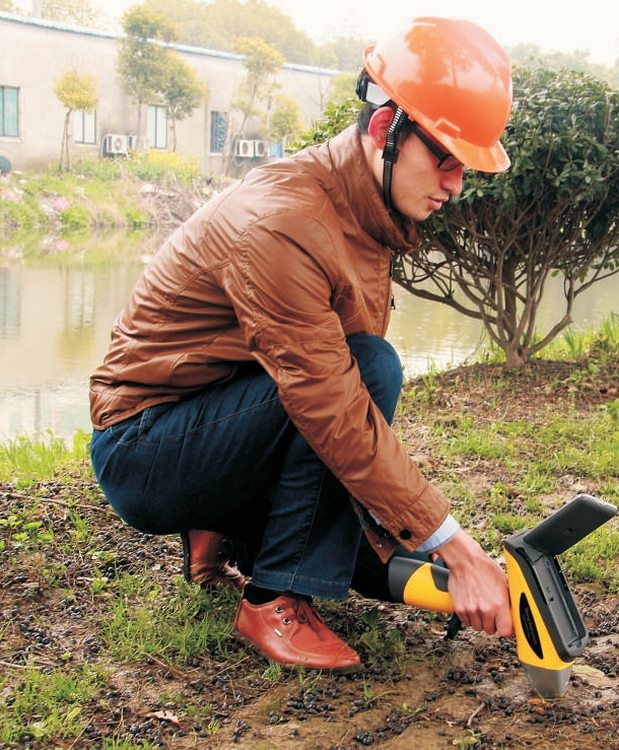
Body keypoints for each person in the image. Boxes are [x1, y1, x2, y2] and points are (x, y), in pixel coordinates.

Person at [89, 16, 514, 673]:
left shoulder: (359, 210)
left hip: (207, 424)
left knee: (351, 541)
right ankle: (271, 598)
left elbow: (328, 421)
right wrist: (458, 548)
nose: (455, 185)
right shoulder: (287, 223)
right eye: (447, 159)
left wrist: (418, 544)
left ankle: (222, 530)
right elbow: (332, 405)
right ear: (384, 132)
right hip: (143, 451)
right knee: (369, 371)